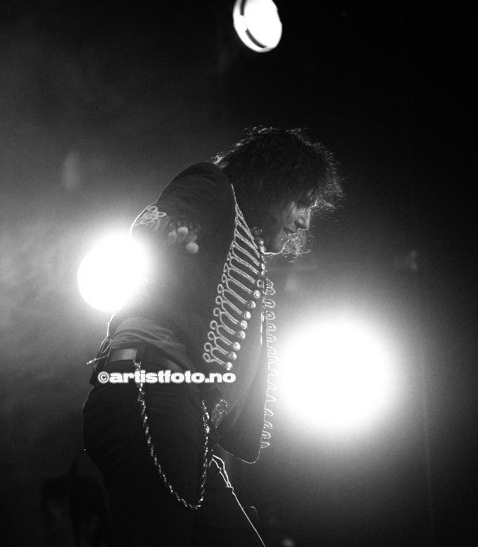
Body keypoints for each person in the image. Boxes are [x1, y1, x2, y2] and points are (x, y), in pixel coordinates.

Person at [82, 127, 343, 546]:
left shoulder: (238, 238)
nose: (304, 221)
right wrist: (172, 229)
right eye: (302, 202)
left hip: (180, 416)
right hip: (150, 393)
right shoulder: (213, 186)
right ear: (272, 184)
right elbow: (154, 221)